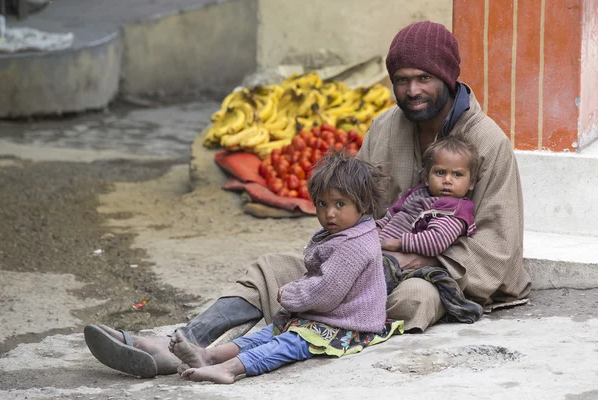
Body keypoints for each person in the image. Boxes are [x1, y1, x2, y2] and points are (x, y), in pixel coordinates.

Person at [84, 20, 532, 379]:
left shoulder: (488, 142)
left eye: (424, 79)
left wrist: (409, 261)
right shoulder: (384, 128)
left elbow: (499, 248)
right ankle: (183, 343)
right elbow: (356, 208)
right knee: (275, 269)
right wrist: (346, 253)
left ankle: (243, 352)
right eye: (401, 80)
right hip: (367, 261)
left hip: (442, 278)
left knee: (412, 297)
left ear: (448, 78)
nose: (412, 90)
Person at [166, 150, 402, 384]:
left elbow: (326, 292)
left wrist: (289, 293)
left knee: (290, 342)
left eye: (340, 204)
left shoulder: (353, 246)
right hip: (333, 316)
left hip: (350, 326)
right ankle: (210, 356)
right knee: (270, 332)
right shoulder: (346, 232)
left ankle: (230, 369)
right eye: (322, 204)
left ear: (362, 204)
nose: (330, 213)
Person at [378, 134, 479, 256]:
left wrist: (400, 243)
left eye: (457, 175)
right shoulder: (418, 194)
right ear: (426, 178)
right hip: (379, 248)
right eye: (440, 172)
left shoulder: (455, 210)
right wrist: (375, 229)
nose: (447, 180)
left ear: (471, 183)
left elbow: (437, 241)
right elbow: (392, 215)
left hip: (404, 263)